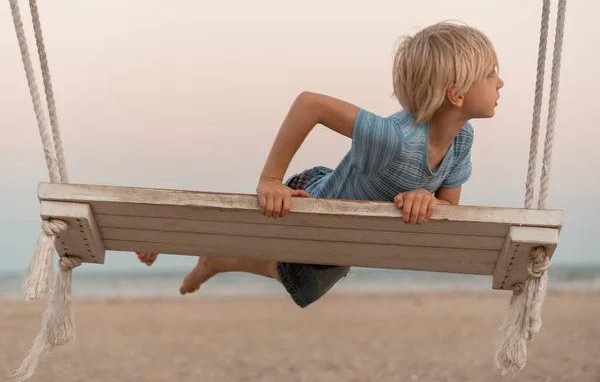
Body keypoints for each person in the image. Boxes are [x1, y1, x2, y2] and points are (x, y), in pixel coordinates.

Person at [136, 20, 504, 308]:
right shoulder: (395, 140)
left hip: (344, 232)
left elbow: (449, 208)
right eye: (491, 74)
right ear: (455, 93)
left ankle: (215, 262)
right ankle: (170, 241)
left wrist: (426, 197)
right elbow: (310, 104)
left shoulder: (461, 140)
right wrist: (270, 179)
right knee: (286, 245)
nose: (501, 82)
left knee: (313, 274)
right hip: (313, 195)